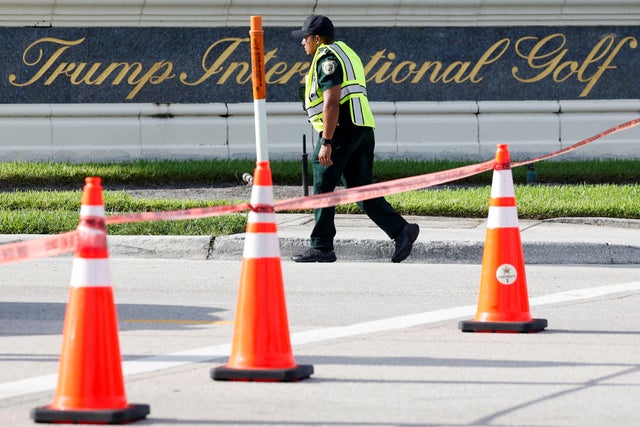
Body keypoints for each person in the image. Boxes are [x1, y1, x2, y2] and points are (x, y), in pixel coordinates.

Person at [291, 15, 419, 263]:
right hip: (362, 128)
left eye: (305, 38)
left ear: (317, 39)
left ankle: (321, 246)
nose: (302, 43)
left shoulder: (327, 58)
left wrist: (326, 141)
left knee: (322, 182)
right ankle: (401, 230)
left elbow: (331, 102)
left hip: (341, 129)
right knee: (360, 190)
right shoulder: (345, 51)